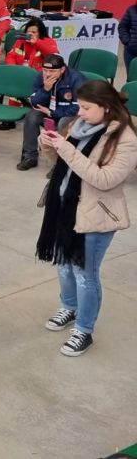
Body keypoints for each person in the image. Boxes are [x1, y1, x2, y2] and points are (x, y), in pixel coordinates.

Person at [36, 80, 137, 357]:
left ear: (106, 108)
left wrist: (66, 150)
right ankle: (69, 307)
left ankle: (84, 328)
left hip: (96, 215)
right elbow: (58, 163)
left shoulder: (125, 139)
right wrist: (48, 145)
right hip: (64, 208)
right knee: (64, 267)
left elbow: (104, 179)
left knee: (84, 274)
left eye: (86, 108)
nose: (79, 113)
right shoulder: (78, 127)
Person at [17, 53, 86, 171]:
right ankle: (30, 156)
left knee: (63, 123)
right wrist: (45, 90)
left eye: (52, 71)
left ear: (62, 69)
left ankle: (59, 163)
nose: (48, 74)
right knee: (31, 117)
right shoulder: (41, 77)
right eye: (45, 70)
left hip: (69, 116)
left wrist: (52, 113)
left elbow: (77, 108)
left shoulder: (77, 79)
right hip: (48, 111)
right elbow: (35, 103)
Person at [119, 0, 137, 72]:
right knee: (131, 79)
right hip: (131, 52)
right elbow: (122, 26)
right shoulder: (132, 10)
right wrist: (127, 41)